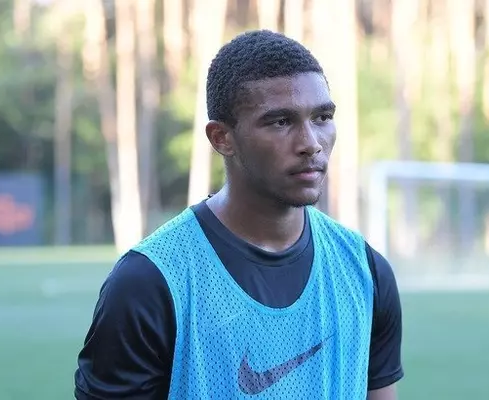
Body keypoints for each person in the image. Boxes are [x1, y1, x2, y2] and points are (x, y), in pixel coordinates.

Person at [74, 30, 403, 400]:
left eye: (322, 117)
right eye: (280, 122)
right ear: (221, 138)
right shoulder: (148, 284)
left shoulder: (365, 272)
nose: (311, 143)